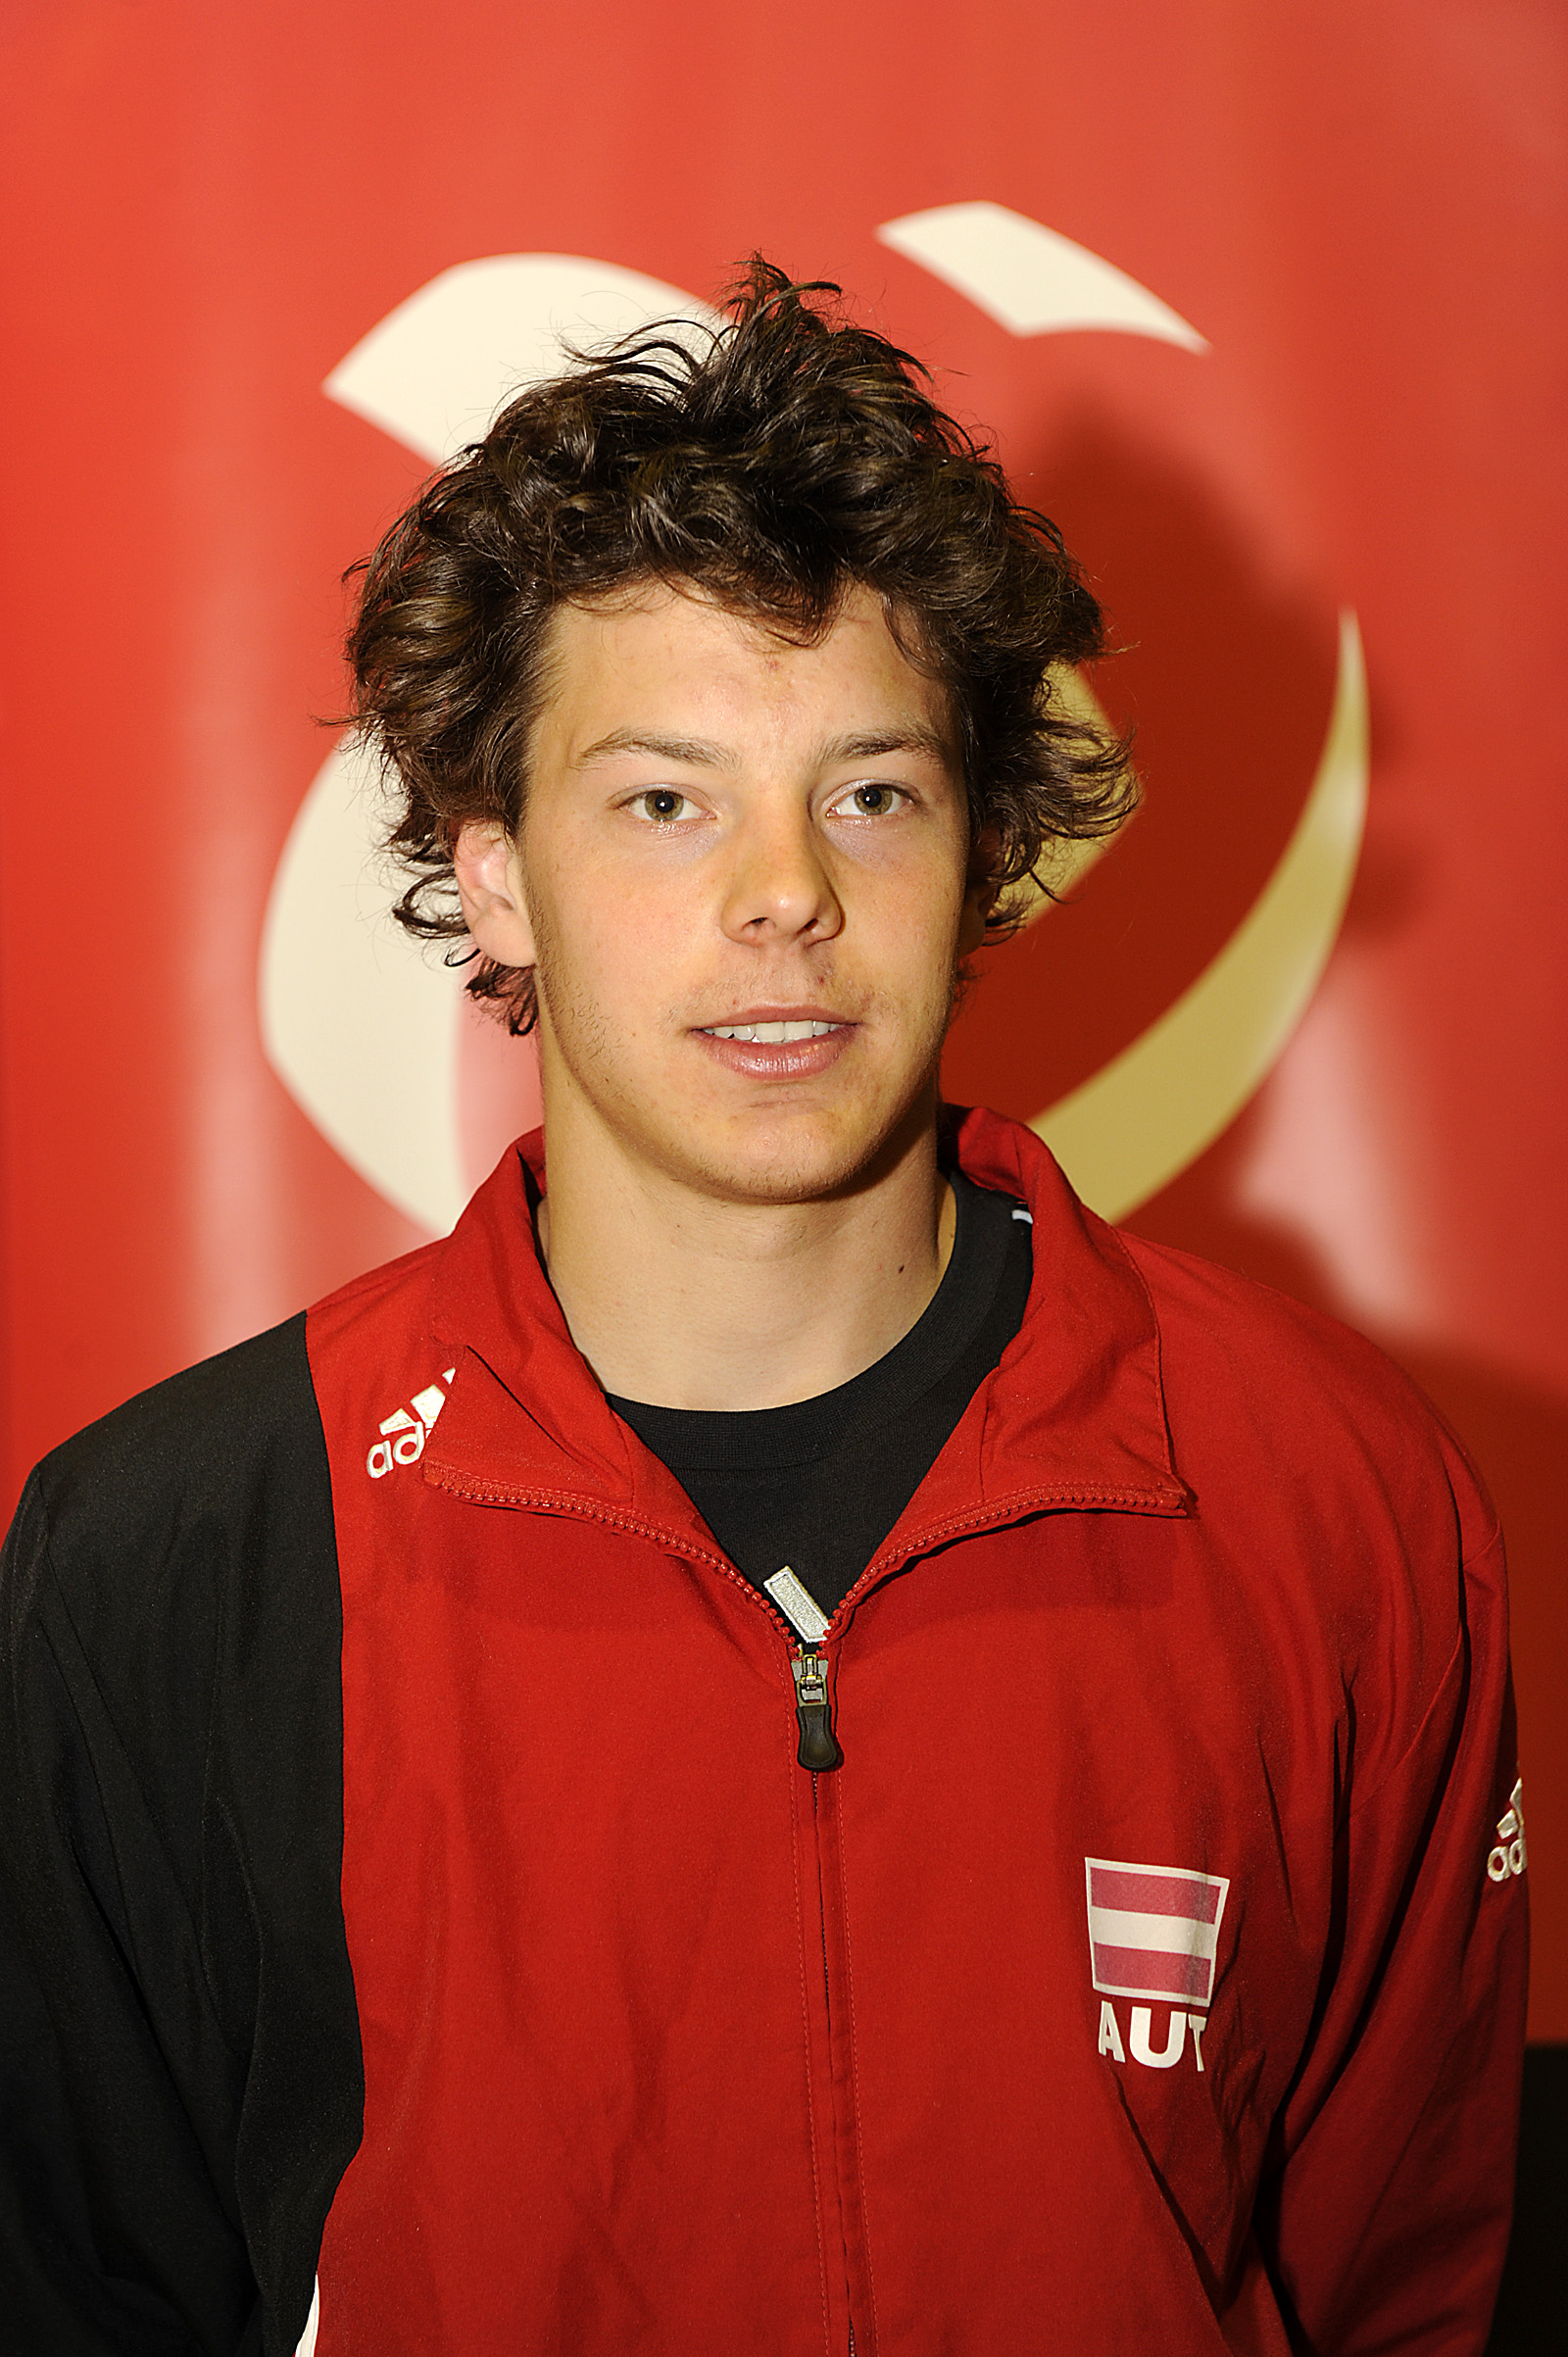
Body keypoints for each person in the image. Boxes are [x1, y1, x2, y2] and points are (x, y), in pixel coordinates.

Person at [0, 262, 1526, 2357]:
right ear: (496, 866)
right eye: (665, 799)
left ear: (983, 843)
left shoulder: (1332, 1499)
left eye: (871, 791)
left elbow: (1401, 2283)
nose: (785, 892)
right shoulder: (174, 1554)